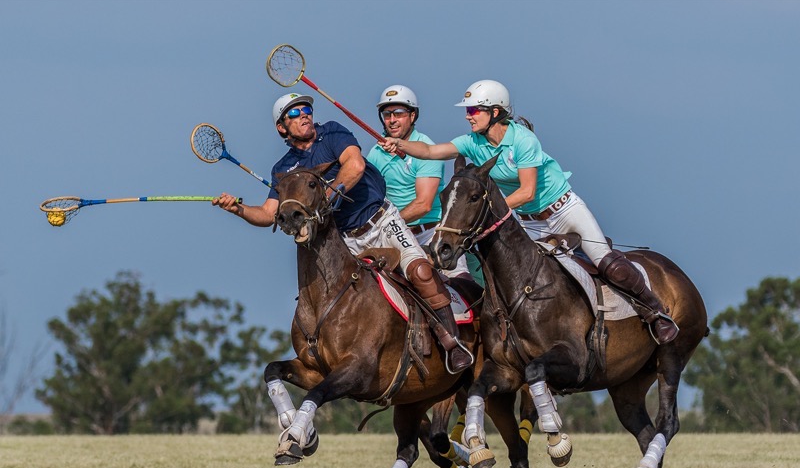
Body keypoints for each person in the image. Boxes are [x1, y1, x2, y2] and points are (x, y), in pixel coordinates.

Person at [380, 80, 678, 345]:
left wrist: (490, 210)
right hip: (527, 221)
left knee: (607, 263)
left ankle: (655, 312)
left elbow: (527, 192)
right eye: (468, 111)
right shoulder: (472, 142)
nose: (468, 116)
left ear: (495, 112)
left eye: (474, 111)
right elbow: (433, 152)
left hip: (562, 209)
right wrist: (401, 144)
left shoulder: (522, 140)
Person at [213, 93, 474, 371]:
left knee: (420, 271)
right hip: (347, 237)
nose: (304, 115)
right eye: (294, 113)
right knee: (354, 296)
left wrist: (325, 194)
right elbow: (267, 214)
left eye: (306, 109)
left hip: (382, 220)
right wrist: (238, 209)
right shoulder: (285, 169)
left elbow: (355, 165)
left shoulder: (333, 133)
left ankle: (452, 344)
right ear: (281, 127)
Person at [366, 84, 470, 280]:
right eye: (387, 114)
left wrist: (387, 225)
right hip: (396, 233)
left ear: (412, 116)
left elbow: (423, 204)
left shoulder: (426, 147)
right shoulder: (376, 152)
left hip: (431, 234)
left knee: (460, 286)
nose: (392, 120)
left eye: (398, 113)